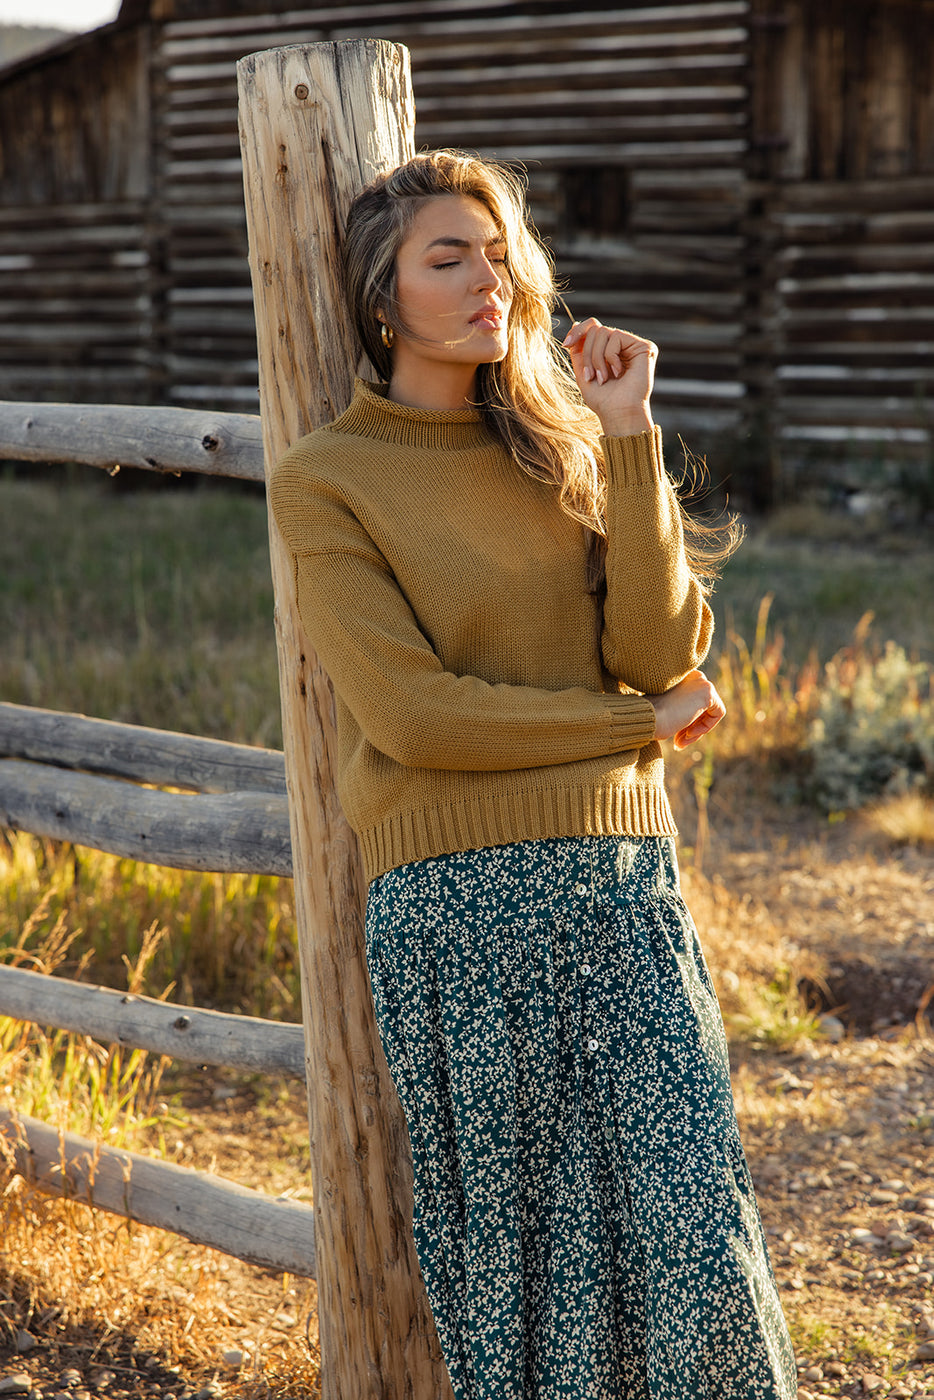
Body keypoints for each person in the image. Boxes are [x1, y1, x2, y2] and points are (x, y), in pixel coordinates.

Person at [269, 149, 796, 1400]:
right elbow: (414, 715)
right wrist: (632, 730)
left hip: (620, 885)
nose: (486, 278)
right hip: (461, 909)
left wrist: (625, 438)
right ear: (381, 298)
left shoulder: (561, 445)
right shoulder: (328, 479)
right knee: (526, 1272)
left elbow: (660, 651)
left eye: (499, 252)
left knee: (693, 1243)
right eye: (446, 256)